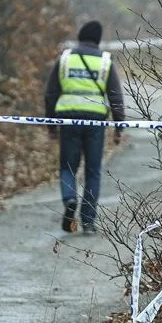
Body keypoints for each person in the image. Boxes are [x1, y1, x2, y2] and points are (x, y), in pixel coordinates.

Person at [45, 20, 126, 234]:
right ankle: (88, 221)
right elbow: (115, 96)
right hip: (95, 121)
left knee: (67, 167)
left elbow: (51, 93)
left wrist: (51, 123)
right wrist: (119, 126)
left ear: (80, 36)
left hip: (68, 120)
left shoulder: (65, 59)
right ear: (98, 40)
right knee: (93, 171)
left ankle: (70, 199)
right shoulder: (106, 62)